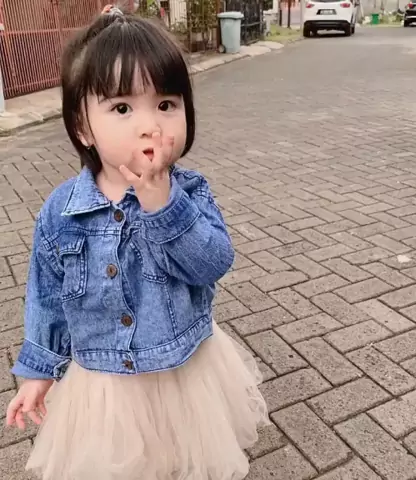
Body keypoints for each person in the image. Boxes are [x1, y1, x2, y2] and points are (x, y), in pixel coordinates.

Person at [5, 6, 268, 480]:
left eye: (166, 104)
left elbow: (212, 262)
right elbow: (46, 296)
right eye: (122, 108)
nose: (151, 126)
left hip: (181, 371)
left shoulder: (190, 193)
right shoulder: (61, 212)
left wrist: (163, 205)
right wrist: (39, 371)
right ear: (83, 127)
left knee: (181, 458)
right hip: (103, 385)